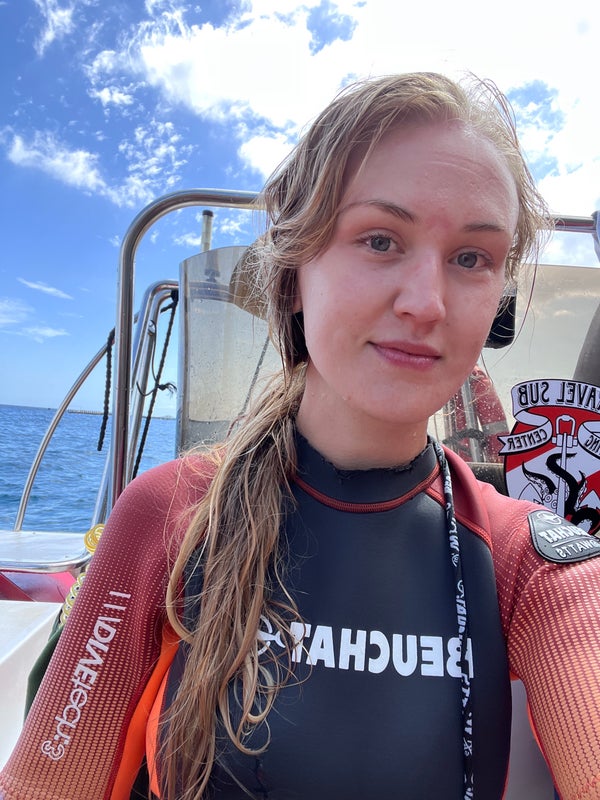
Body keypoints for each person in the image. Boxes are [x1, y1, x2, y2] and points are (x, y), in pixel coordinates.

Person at [2, 72, 600, 800]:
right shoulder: (171, 514)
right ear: (292, 277)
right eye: (380, 240)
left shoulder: (531, 565)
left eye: (471, 258)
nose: (426, 303)